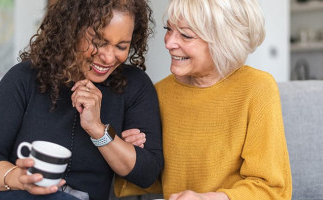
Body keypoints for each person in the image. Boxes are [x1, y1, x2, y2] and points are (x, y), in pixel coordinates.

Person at [0, 0, 163, 200]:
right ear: (71, 31)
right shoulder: (24, 78)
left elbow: (147, 173)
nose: (108, 57)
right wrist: (18, 178)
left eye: (121, 46)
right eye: (98, 43)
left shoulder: (134, 86)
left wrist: (98, 130)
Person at [123, 0, 292, 199]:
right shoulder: (159, 93)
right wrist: (134, 153)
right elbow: (148, 180)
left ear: (224, 41)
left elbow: (271, 190)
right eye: (168, 29)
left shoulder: (256, 89)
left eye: (186, 35)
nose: (169, 43)